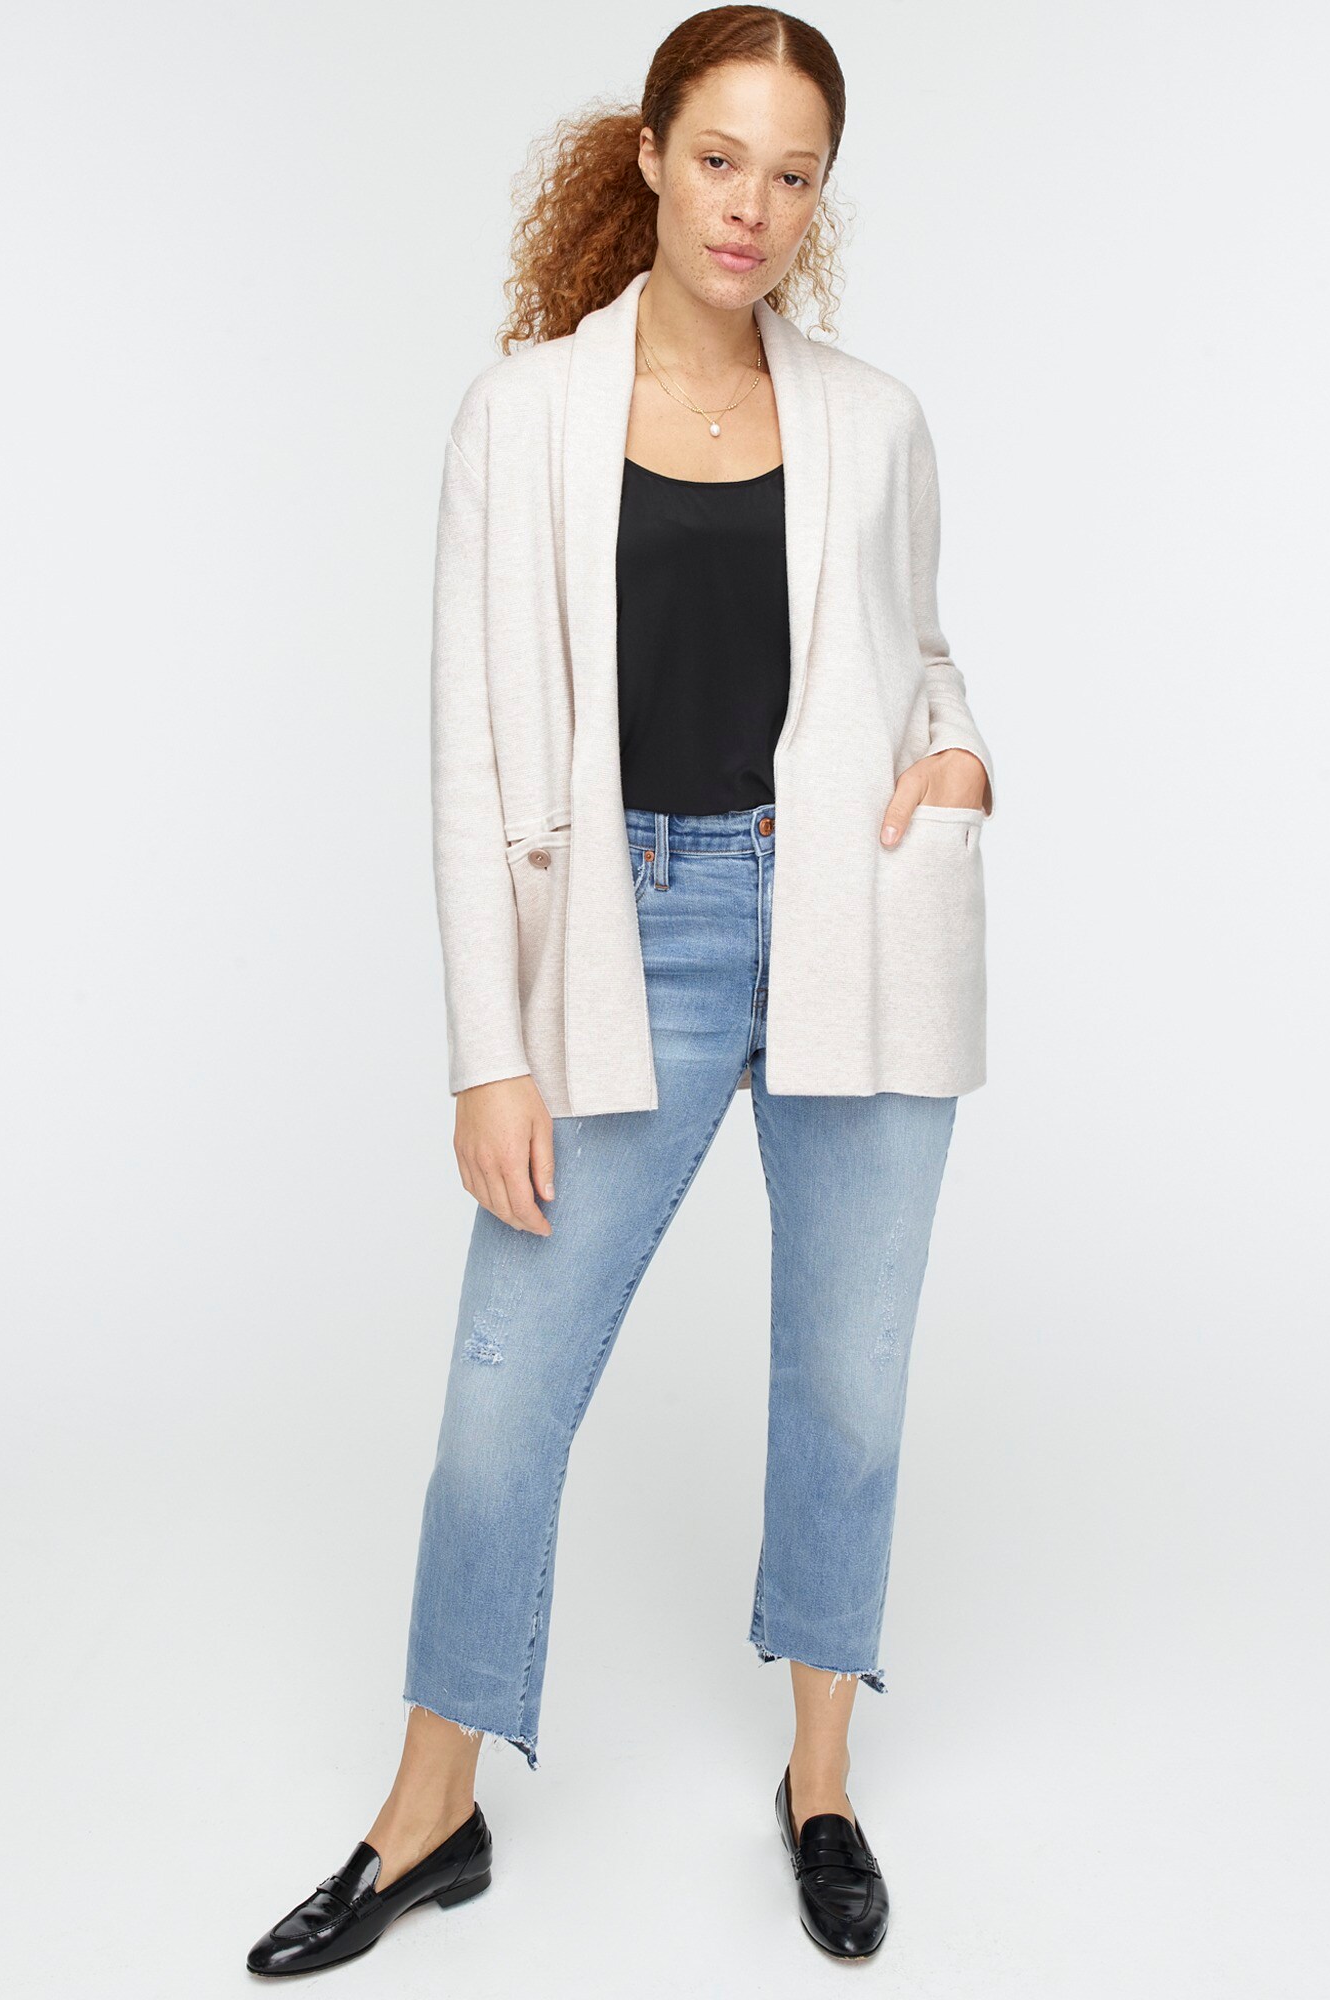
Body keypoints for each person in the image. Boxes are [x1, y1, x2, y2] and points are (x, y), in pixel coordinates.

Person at [246, 4, 994, 1976]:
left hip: (855, 924)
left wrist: (956, 757)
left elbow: (921, 651)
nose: (753, 206)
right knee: (502, 1398)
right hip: (627, 935)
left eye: (794, 174)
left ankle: (820, 1781)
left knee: (847, 1387)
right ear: (651, 152)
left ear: (819, 200)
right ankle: (430, 1811)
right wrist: (485, 1055)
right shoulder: (523, 416)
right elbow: (468, 757)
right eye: (721, 158)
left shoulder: (875, 420)